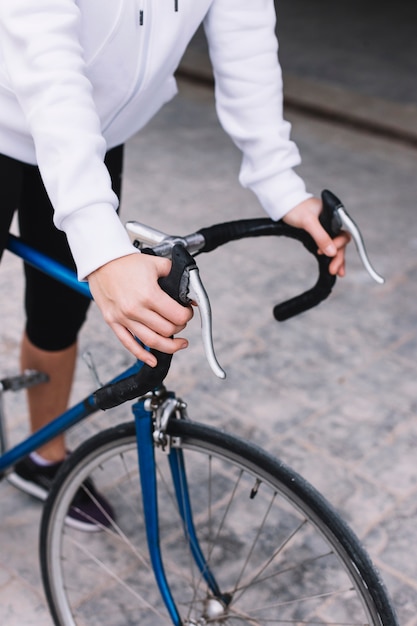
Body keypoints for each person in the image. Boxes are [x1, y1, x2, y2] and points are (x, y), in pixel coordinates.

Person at [0, 0, 349, 528]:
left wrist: (280, 185)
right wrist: (102, 242)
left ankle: (42, 460)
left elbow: (247, 42)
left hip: (93, 138)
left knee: (59, 311)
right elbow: (48, 63)